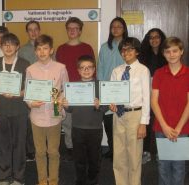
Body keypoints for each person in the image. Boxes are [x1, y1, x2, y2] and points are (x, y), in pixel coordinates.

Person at [26, 34, 69, 185]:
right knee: (39, 152)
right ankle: (42, 181)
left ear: (51, 50)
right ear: (35, 51)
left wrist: (61, 99)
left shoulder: (61, 68)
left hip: (54, 114)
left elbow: (66, 88)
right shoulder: (30, 69)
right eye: (39, 49)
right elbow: (27, 93)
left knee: (53, 151)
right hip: (37, 116)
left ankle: (54, 180)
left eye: (45, 48)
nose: (42, 52)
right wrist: (32, 103)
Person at [0, 33, 30, 185]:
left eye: (12, 44)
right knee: (3, 145)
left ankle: (19, 178)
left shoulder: (25, 64)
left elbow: (30, 89)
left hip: (20, 110)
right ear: (1, 46)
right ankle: (4, 177)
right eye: (5, 44)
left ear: (17, 46)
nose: (8, 47)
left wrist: (18, 93)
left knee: (19, 145)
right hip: (1, 110)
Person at [109, 37, 150, 185]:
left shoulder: (143, 70)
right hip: (118, 115)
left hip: (135, 115)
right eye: (123, 49)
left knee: (134, 156)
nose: (126, 52)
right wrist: (111, 103)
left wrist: (143, 123)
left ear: (137, 51)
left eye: (130, 49)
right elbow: (112, 93)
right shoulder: (116, 71)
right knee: (119, 155)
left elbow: (147, 98)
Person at [62, 55, 108, 185]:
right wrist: (66, 105)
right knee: (79, 159)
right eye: (83, 68)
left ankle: (93, 180)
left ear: (94, 69)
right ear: (78, 70)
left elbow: (105, 109)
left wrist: (100, 106)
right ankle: (80, 181)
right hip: (77, 128)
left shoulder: (100, 86)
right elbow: (70, 109)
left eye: (89, 68)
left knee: (94, 158)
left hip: (95, 129)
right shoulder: (73, 86)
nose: (86, 70)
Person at [56, 17, 95, 161]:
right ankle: (71, 149)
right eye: (69, 28)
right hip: (66, 90)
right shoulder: (61, 49)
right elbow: (57, 72)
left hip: (84, 90)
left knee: (82, 121)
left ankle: (83, 149)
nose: (72, 31)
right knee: (68, 123)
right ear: (67, 30)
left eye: (75, 28)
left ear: (80, 31)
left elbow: (92, 71)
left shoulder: (87, 48)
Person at [151, 37, 189, 185]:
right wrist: (165, 127)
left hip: (183, 128)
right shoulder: (159, 73)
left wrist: (178, 128)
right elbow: (154, 101)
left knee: (179, 167)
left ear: (181, 52)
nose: (171, 54)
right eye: (168, 51)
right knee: (163, 165)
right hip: (161, 127)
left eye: (175, 51)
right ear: (163, 54)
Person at [97, 17, 128, 160]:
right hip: (108, 90)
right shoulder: (104, 47)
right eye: (113, 27)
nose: (115, 29)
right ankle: (112, 148)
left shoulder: (128, 47)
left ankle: (122, 150)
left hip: (124, 89)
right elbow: (101, 69)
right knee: (109, 122)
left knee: (123, 120)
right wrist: (102, 89)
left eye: (119, 27)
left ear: (124, 29)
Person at [139, 28, 167, 164]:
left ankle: (160, 151)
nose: (154, 40)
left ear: (161, 39)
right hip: (147, 94)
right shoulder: (143, 56)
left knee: (162, 122)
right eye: (151, 37)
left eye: (157, 37)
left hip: (164, 95)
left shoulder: (167, 55)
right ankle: (146, 151)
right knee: (147, 123)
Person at [18, 20, 41, 161]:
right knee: (28, 121)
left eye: (35, 29)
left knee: (42, 120)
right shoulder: (22, 50)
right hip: (27, 89)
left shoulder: (46, 46)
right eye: (30, 30)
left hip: (43, 89)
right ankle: (30, 150)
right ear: (27, 32)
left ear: (39, 30)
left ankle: (40, 150)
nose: (33, 32)